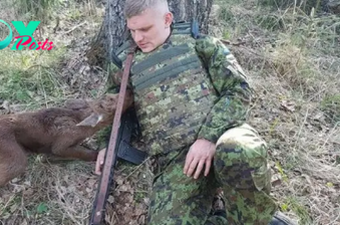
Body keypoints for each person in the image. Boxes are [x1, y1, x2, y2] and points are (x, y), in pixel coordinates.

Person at [94, 0, 297, 224]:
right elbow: (111, 105)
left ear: (167, 19)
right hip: (176, 161)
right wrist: (105, 144)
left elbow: (238, 90)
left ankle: (257, 219)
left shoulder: (199, 44)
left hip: (223, 138)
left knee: (239, 150)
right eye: (132, 30)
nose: (137, 38)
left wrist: (208, 137)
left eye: (144, 29)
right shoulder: (125, 62)